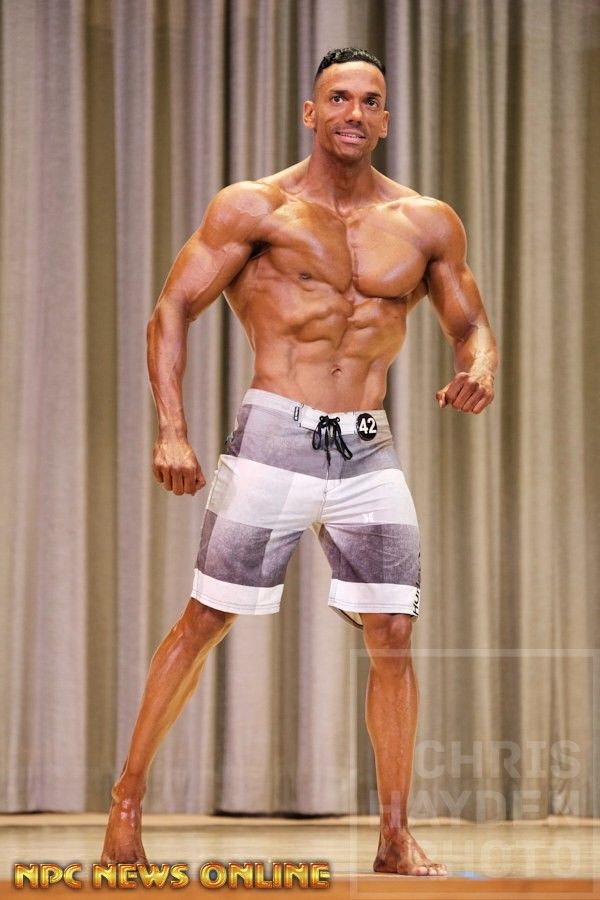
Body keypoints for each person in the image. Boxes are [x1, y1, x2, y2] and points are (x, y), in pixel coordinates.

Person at [101, 47, 497, 876]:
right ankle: (128, 799)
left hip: (367, 448)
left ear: (385, 118)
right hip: (274, 437)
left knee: (393, 631)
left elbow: (470, 324)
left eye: (370, 100)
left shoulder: (427, 222)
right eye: (338, 98)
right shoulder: (256, 208)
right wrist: (172, 428)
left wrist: (482, 364)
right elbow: (172, 306)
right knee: (206, 620)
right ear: (311, 113)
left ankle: (393, 836)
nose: (355, 112)